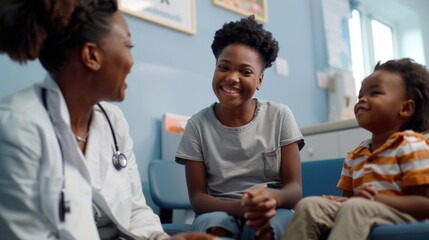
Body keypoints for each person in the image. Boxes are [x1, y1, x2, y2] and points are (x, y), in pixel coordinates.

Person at [0, 0, 214, 239]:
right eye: (128, 45)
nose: (132, 62)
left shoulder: (113, 121)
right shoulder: (17, 126)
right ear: (92, 55)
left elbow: (134, 210)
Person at [175, 15, 304, 240]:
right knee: (213, 226)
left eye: (245, 72)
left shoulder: (280, 115)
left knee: (265, 227)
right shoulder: (197, 125)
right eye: (223, 67)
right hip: (218, 211)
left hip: (272, 210)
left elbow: (294, 190)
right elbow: (198, 199)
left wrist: (271, 199)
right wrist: (239, 208)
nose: (232, 78)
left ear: (260, 80)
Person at [282, 58, 429, 240]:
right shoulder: (356, 155)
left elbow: (425, 204)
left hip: (402, 215)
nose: (362, 100)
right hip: (361, 210)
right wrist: (341, 201)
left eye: (375, 93)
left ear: (406, 108)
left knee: (355, 207)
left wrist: (375, 200)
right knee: (309, 205)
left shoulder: (413, 146)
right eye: (360, 96)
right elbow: (349, 199)